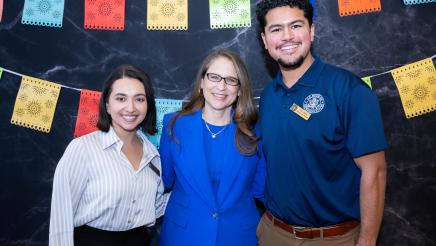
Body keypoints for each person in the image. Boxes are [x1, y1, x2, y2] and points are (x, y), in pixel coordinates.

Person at [255, 1, 388, 245]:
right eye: (276, 29)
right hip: (274, 233)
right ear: (264, 40)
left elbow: (375, 172)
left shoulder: (349, 90)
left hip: (333, 238)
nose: (287, 36)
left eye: (296, 25)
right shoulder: (268, 96)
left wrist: (367, 242)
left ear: (312, 30)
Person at [158, 49, 266, 246]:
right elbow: (164, 181)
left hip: (239, 237)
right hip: (183, 236)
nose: (221, 86)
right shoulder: (173, 125)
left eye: (231, 80)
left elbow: (261, 189)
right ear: (201, 82)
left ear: (240, 89)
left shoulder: (255, 132)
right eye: (214, 77)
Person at [49, 64, 165, 246]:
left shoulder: (154, 156)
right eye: (121, 98)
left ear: (148, 105)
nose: (131, 107)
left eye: (139, 99)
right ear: (107, 105)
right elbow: (61, 219)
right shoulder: (83, 149)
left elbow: (155, 207)